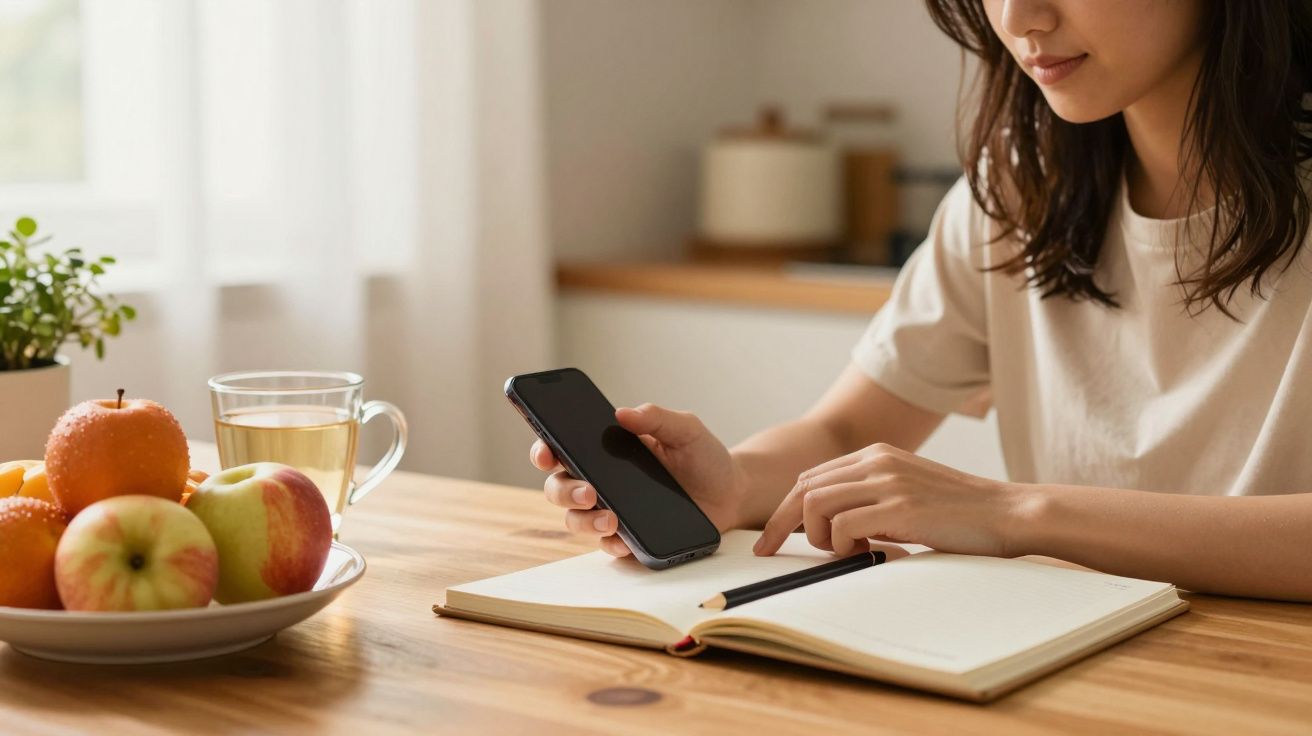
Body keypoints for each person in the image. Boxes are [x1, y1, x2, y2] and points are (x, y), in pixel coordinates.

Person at [530, 0, 1312, 601]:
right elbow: (850, 425)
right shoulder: (1021, 184)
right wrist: (731, 483)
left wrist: (1011, 515)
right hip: (1080, 654)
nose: (1017, 18)